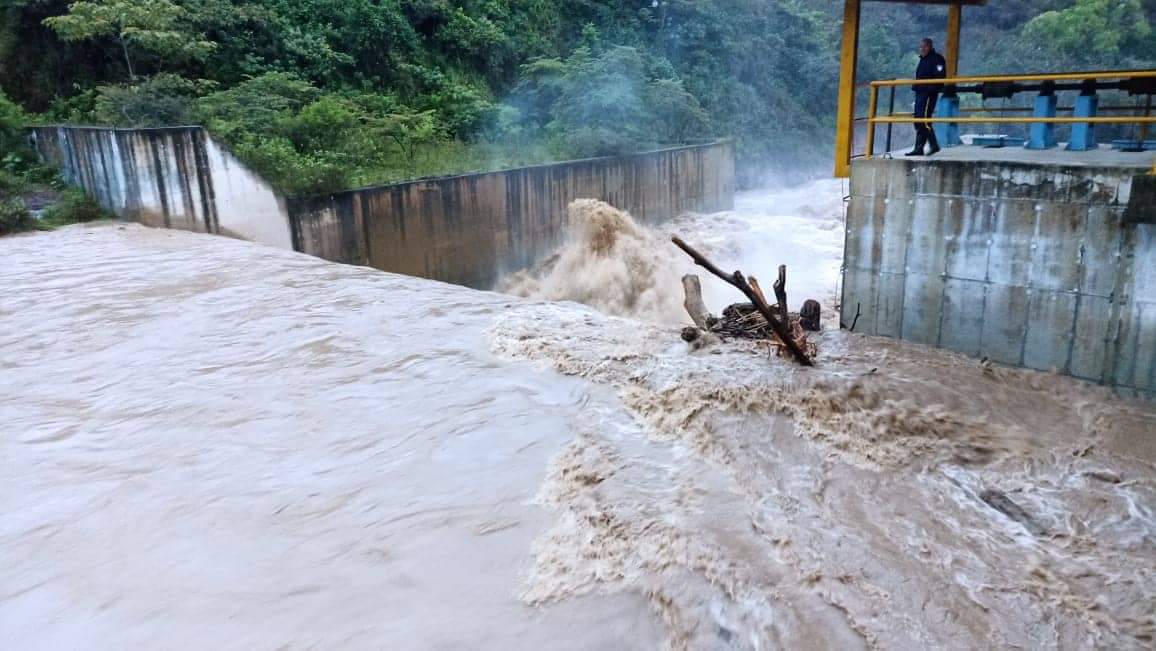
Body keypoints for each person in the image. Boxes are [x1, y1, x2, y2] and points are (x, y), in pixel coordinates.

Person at [907, 38, 947, 156]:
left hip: (928, 94)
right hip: (920, 93)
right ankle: (919, 148)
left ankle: (933, 144)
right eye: (921, 47)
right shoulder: (923, 60)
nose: (922, 49)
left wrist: (930, 89)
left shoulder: (937, 59)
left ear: (930, 46)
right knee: (918, 120)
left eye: (925, 46)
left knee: (923, 120)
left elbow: (940, 77)